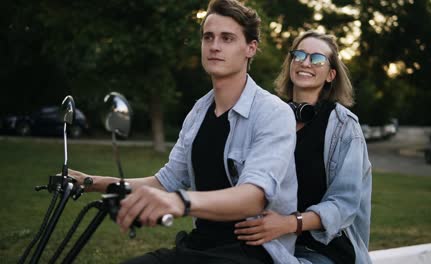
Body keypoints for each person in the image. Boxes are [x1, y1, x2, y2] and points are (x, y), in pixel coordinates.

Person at [69, 0, 299, 263]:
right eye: (208, 37)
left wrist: (181, 202)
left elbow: (254, 197)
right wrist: (91, 182)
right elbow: (165, 182)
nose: (214, 46)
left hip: (252, 253)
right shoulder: (199, 111)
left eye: (227, 38)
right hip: (199, 246)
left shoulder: (273, 113)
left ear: (250, 48)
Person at [234, 30, 373, 264]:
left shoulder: (343, 126)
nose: (305, 62)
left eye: (317, 59)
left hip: (321, 250)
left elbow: (344, 203)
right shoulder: (267, 116)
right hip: (267, 243)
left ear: (330, 74)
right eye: (299, 55)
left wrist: (289, 224)